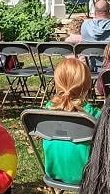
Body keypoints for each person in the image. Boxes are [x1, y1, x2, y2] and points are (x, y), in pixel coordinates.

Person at [43, 57, 100, 185]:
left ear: (57, 83)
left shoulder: (46, 112)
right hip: (88, 176)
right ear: (87, 84)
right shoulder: (93, 115)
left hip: (54, 172)